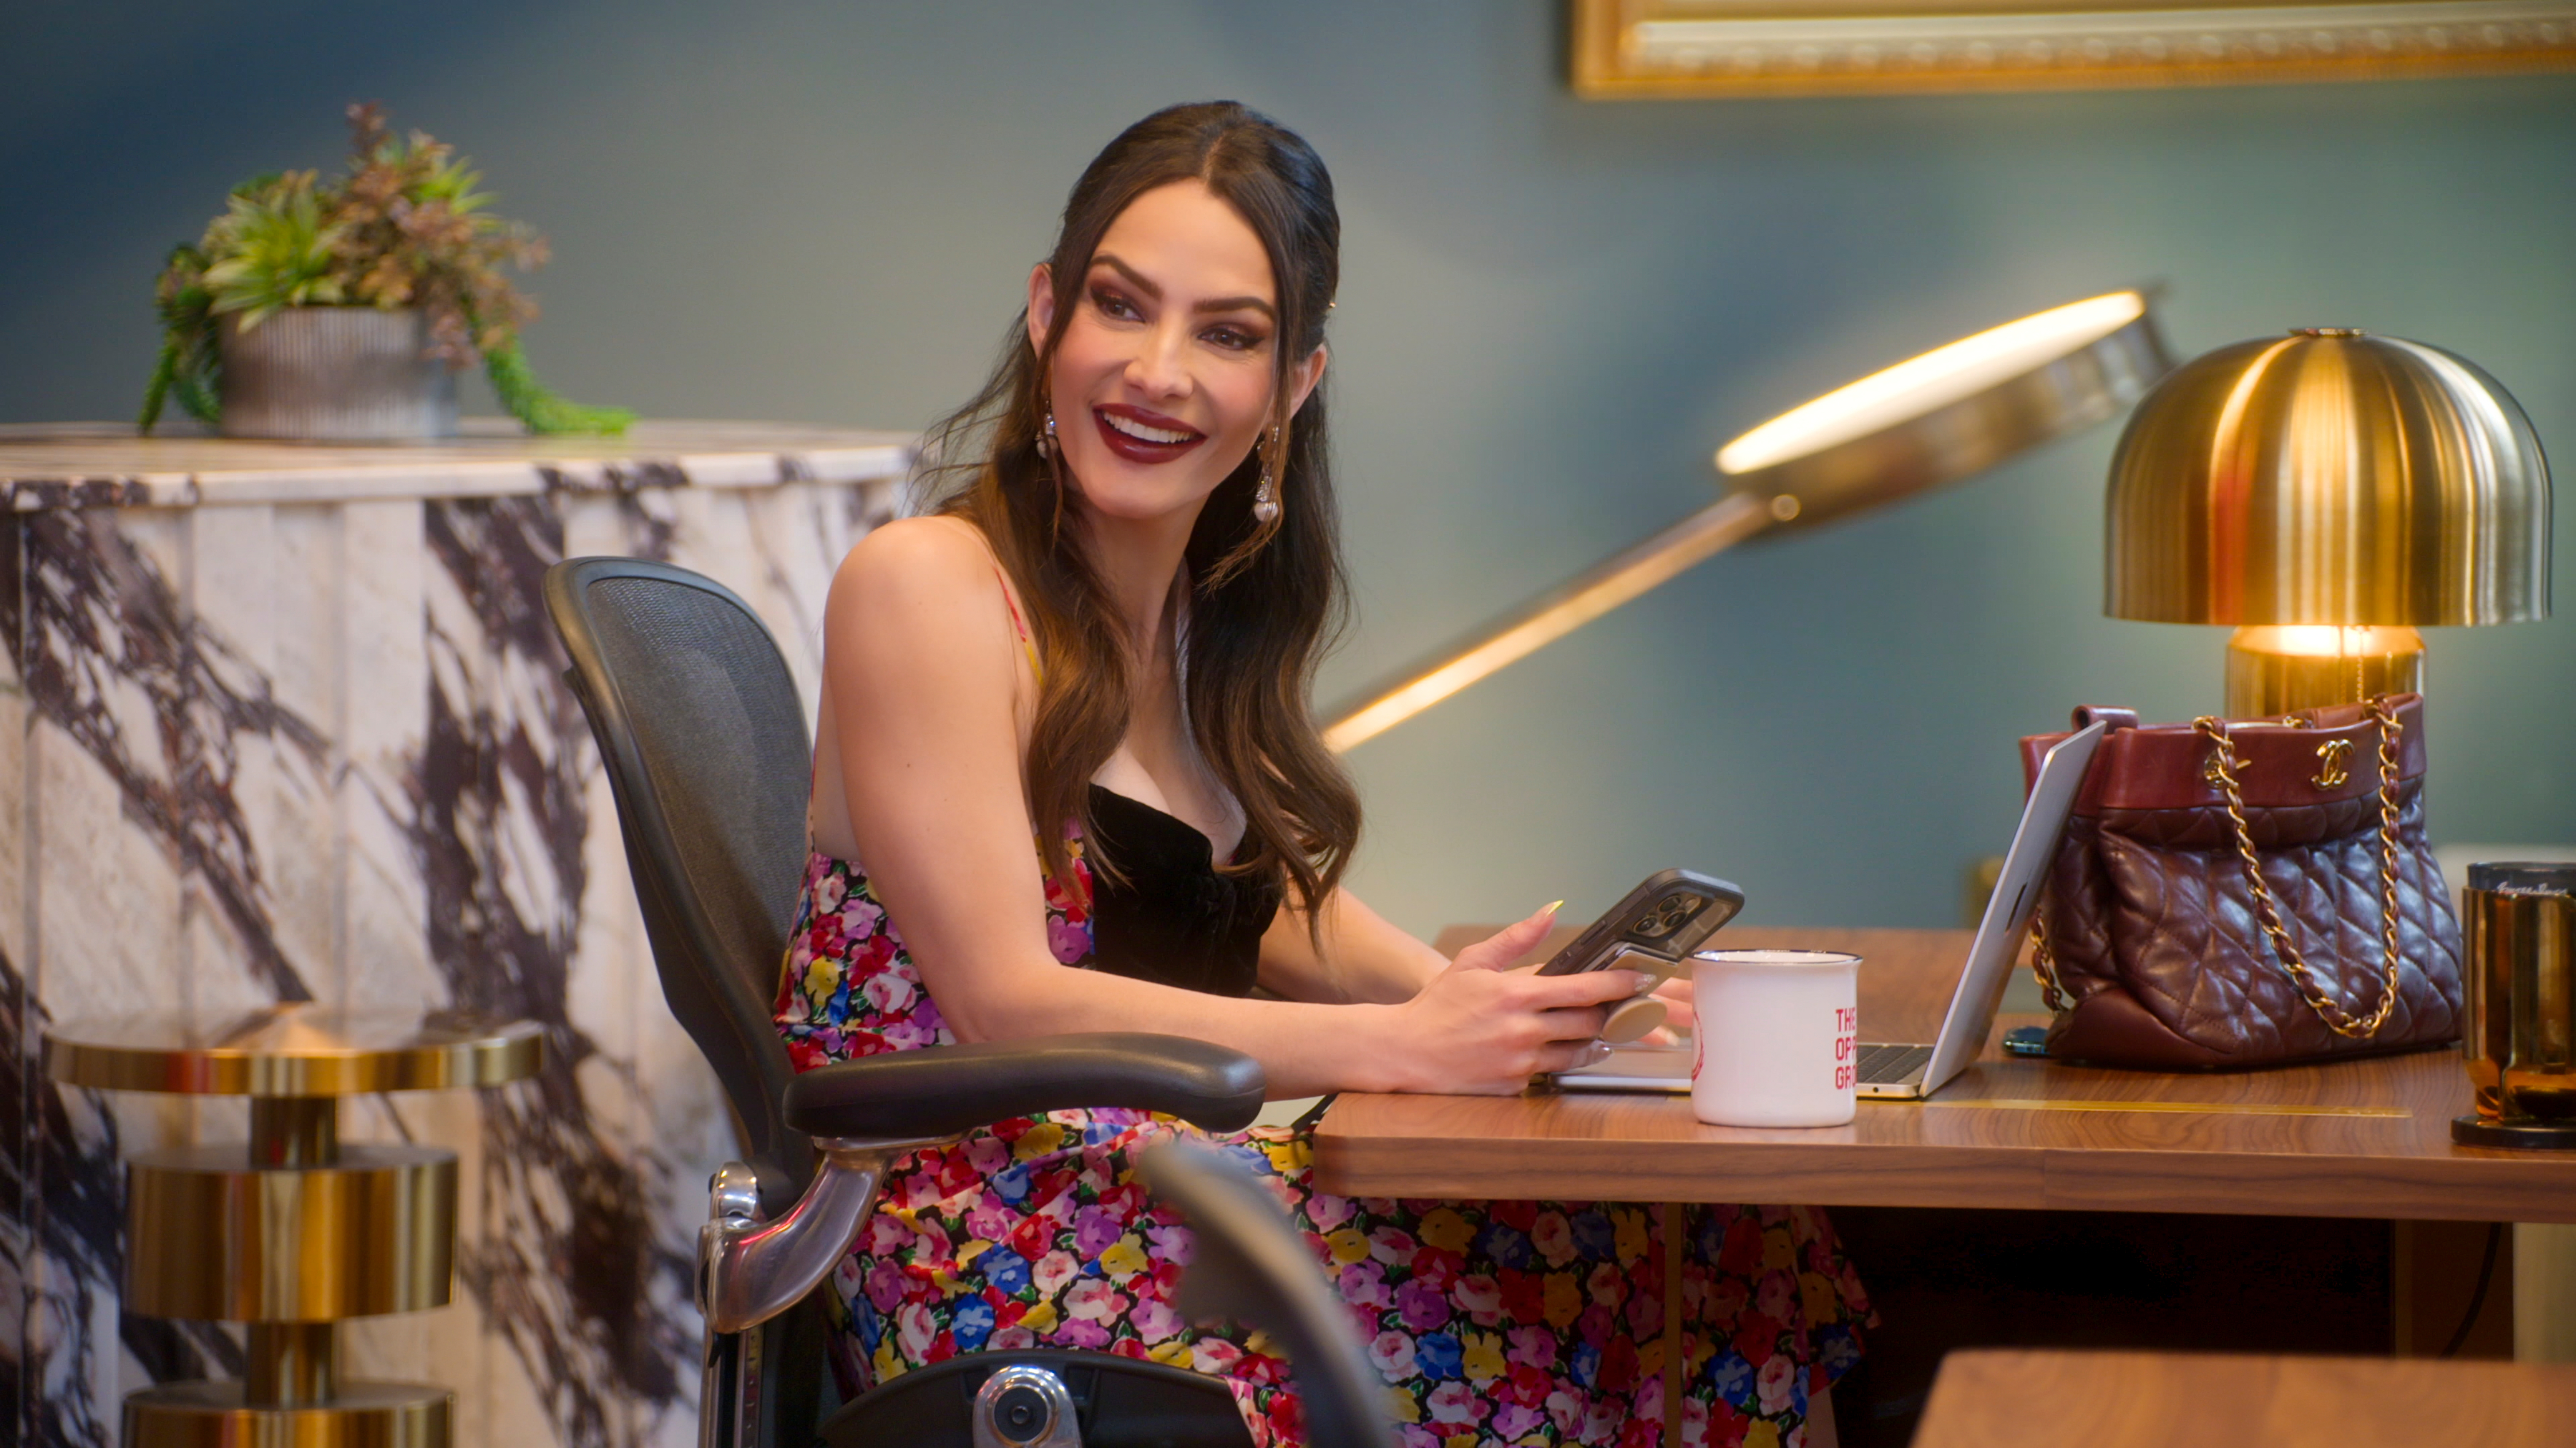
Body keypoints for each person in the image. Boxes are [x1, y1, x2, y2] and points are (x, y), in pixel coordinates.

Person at [776, 100, 1870, 1448]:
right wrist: (1407, 1045)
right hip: (988, 1244)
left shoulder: (1185, 620)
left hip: (1147, 1192)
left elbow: (1238, 899)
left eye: (1226, 334)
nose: (1157, 372)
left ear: (1295, 384)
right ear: (1048, 311)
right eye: (1121, 308)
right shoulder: (930, 585)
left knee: (1733, 1248)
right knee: (1665, 1289)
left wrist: (1499, 1005)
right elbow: (1009, 1000)